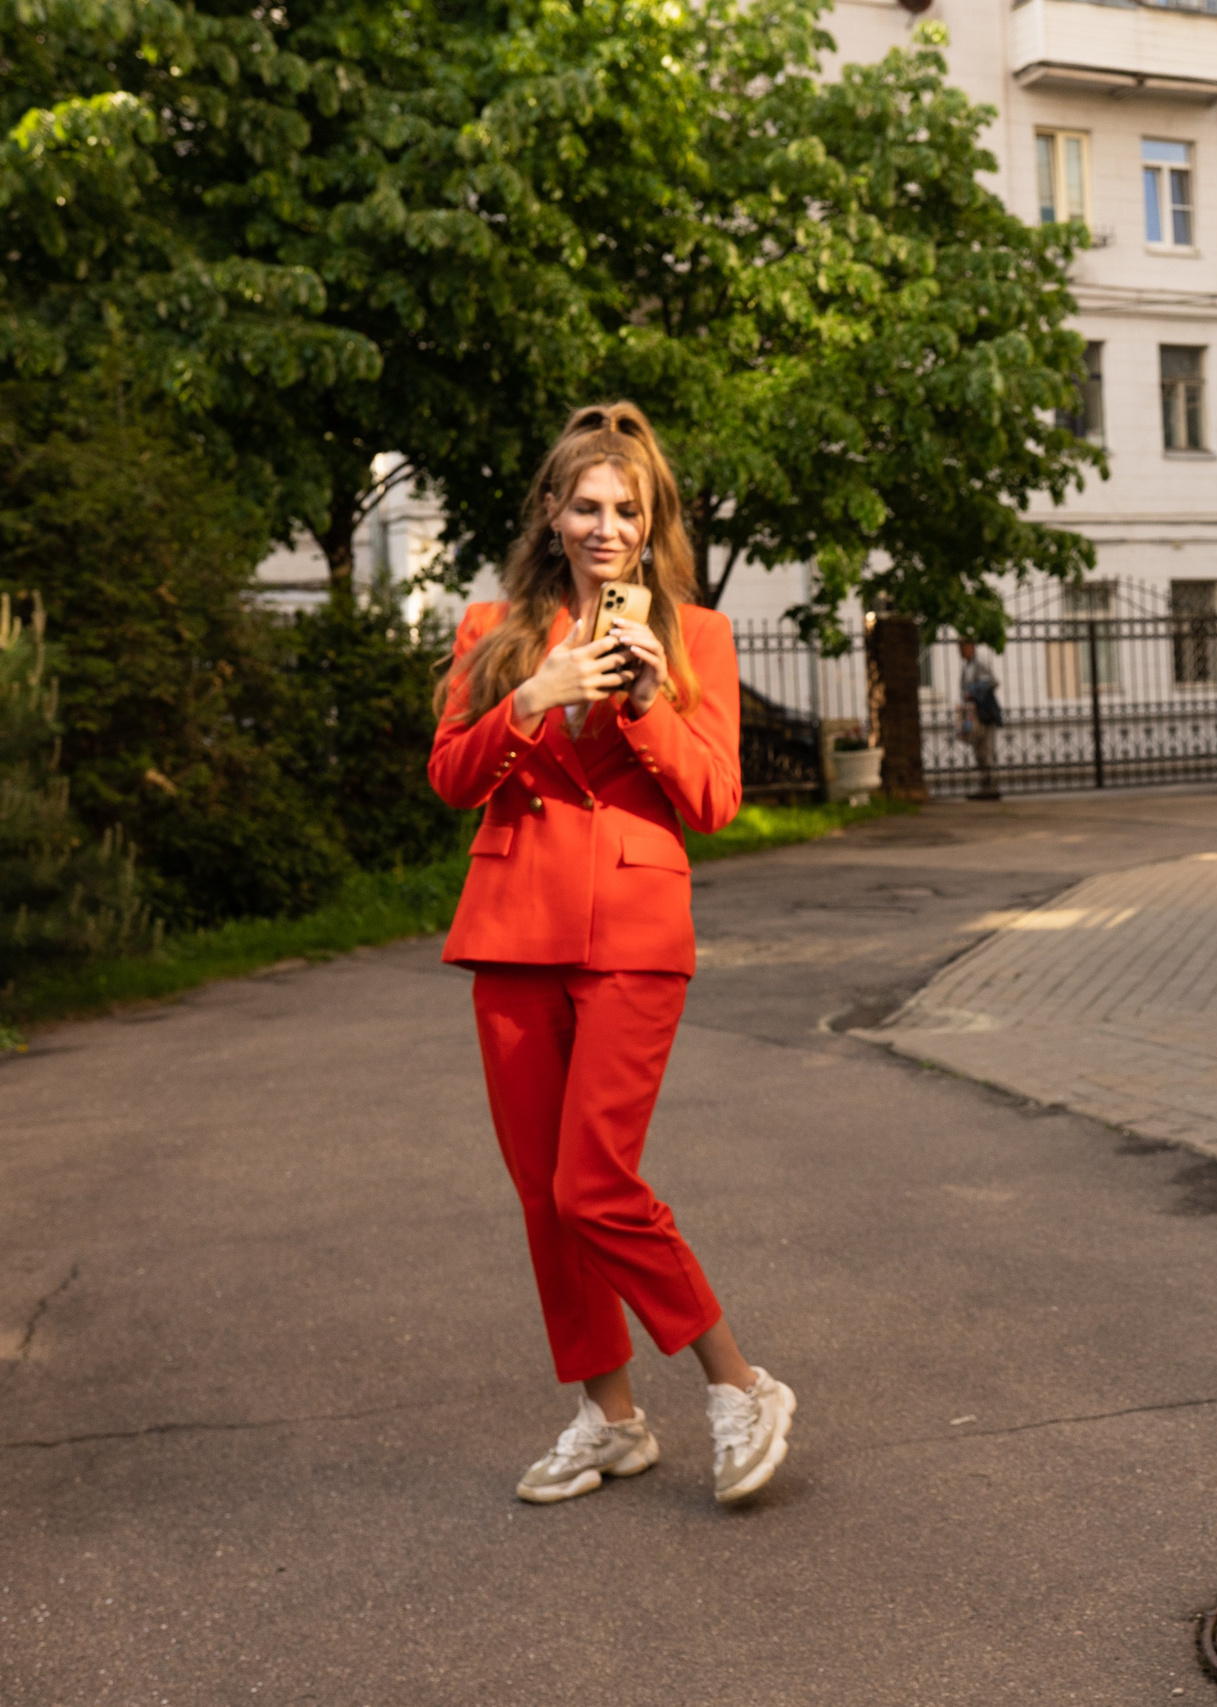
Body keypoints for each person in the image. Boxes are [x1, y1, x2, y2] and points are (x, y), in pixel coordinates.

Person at [429, 402, 796, 1507]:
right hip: (511, 930)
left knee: (595, 1184)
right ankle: (609, 1416)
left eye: (625, 509)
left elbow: (716, 800)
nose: (604, 526)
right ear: (550, 512)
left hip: (634, 934)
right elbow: (451, 776)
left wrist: (644, 702)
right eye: (584, 505)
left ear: (651, 522)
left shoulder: (700, 639)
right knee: (543, 1194)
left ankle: (740, 1386)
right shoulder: (492, 630)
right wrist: (531, 700)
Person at [955, 639, 1002, 800]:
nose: (960, 652)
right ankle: (984, 785)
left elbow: (992, 682)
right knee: (978, 749)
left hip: (984, 713)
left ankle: (990, 785)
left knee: (985, 748)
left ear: (970, 647)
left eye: (962, 648)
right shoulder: (966, 666)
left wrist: (973, 692)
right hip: (973, 714)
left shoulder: (979, 663)